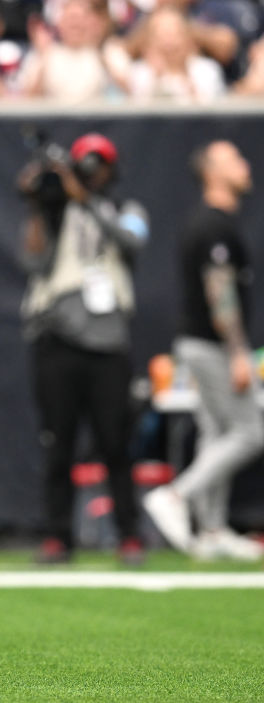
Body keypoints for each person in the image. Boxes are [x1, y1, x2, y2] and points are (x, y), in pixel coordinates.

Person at [17, 132, 148, 565]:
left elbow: (132, 241)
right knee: (59, 442)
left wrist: (84, 199)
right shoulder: (55, 212)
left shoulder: (127, 210)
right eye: (84, 164)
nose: (92, 173)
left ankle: (129, 534)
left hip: (108, 344)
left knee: (116, 441)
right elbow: (33, 263)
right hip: (58, 342)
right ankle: (58, 535)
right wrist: (40, 201)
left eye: (99, 164)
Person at [143, 140, 264, 561]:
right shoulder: (214, 227)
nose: (246, 165)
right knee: (251, 432)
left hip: (199, 345)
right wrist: (237, 354)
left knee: (216, 434)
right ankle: (175, 496)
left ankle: (212, 530)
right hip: (212, 346)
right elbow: (221, 296)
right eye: (235, 159)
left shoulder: (215, 223)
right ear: (213, 171)